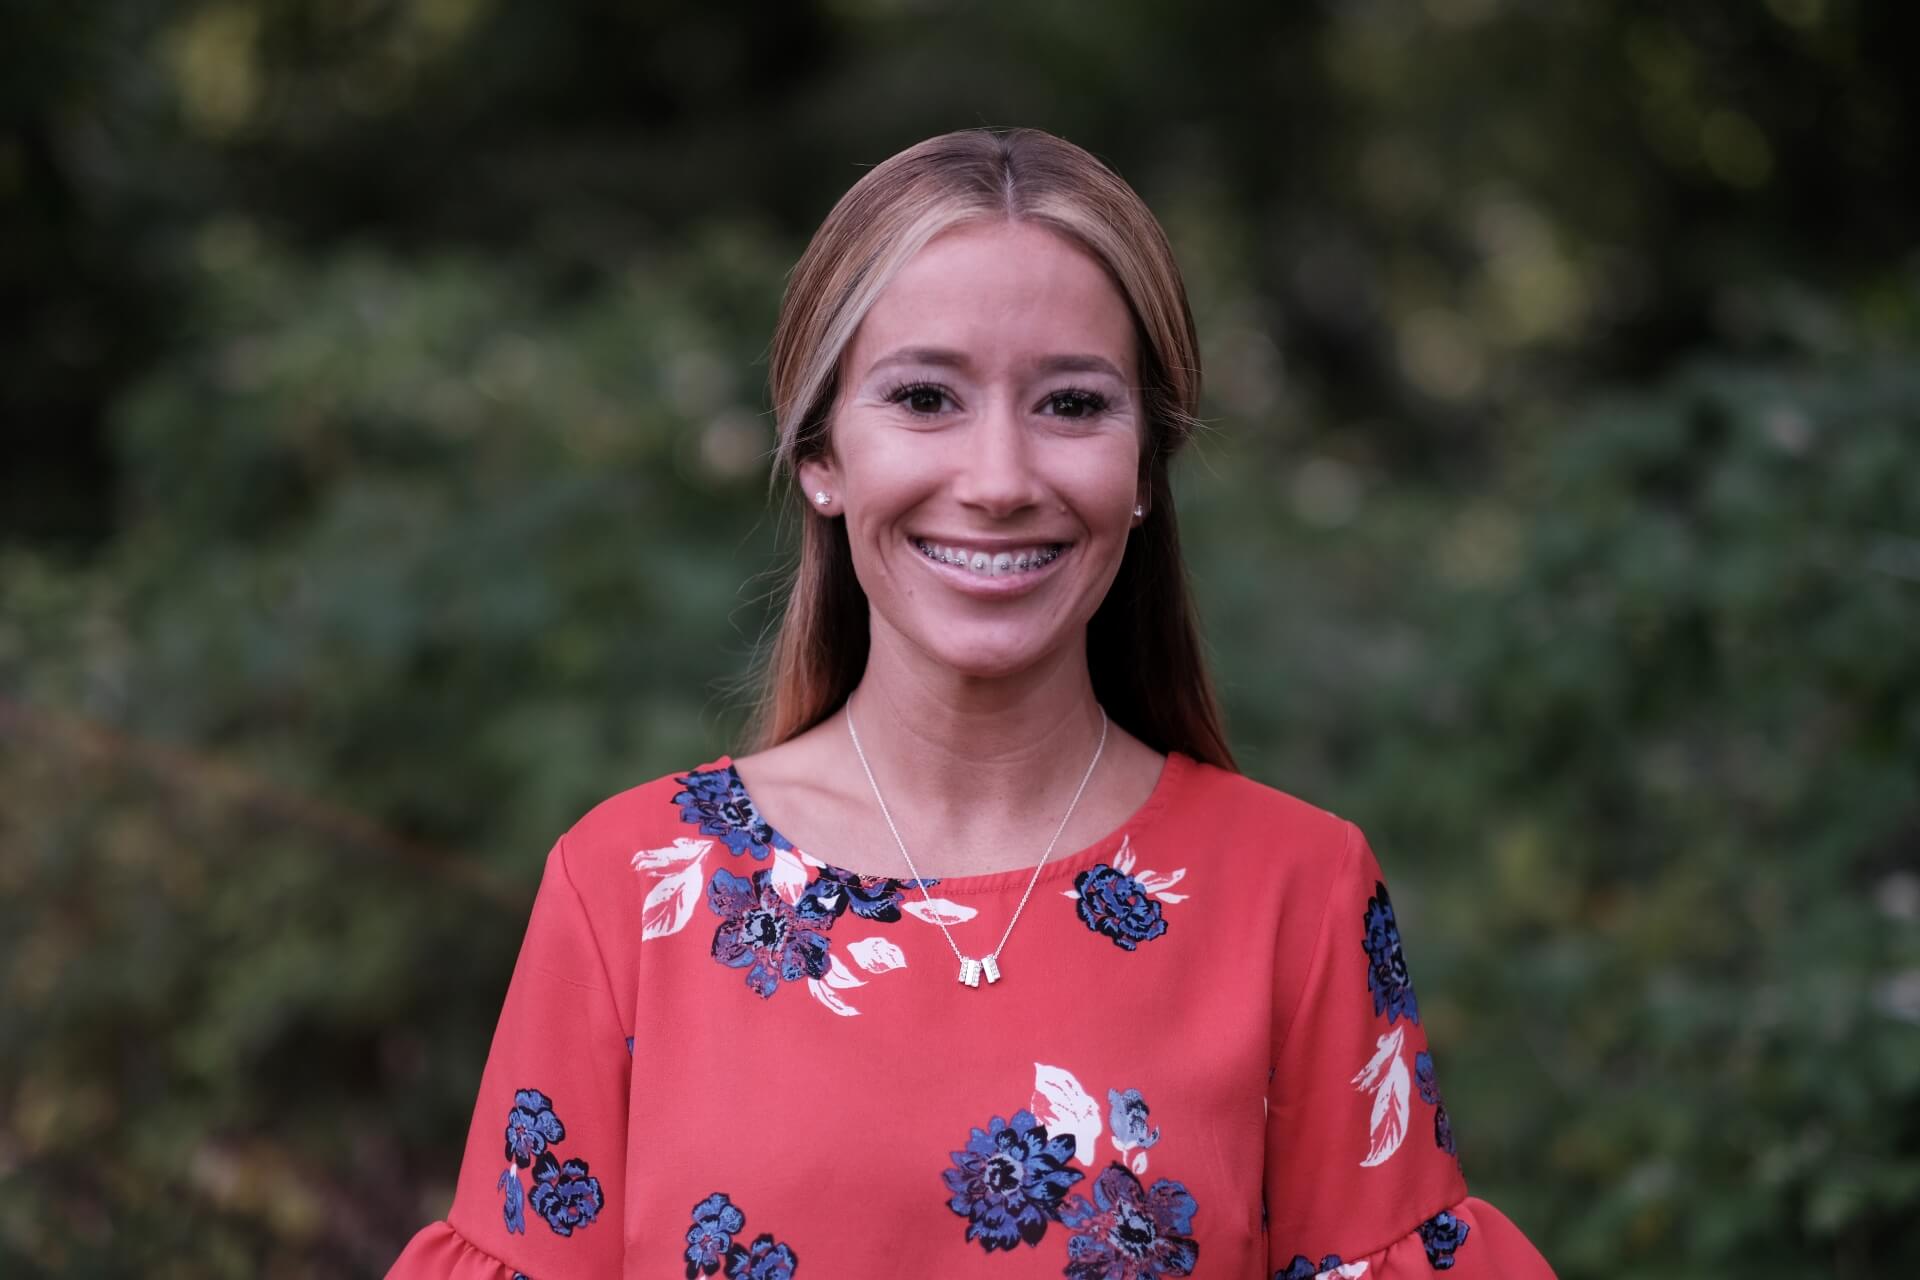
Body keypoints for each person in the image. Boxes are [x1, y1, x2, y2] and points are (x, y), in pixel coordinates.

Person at [386, 127, 1555, 1279]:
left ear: (1145, 467)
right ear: (822, 454)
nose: (999, 480)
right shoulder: (630, 892)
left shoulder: (1294, 897)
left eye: (1072, 405)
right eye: (927, 396)